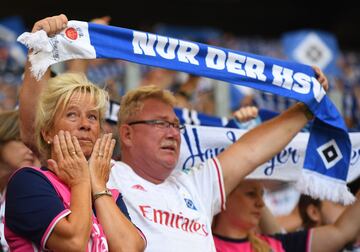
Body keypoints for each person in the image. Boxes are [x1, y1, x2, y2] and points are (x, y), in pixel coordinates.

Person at [19, 14, 329, 251]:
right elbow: (39, 130)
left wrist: (305, 107)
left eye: (175, 125)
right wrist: (40, 50)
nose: (173, 133)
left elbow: (252, 150)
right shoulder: (104, 172)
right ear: (125, 134)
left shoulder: (195, 184)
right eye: (160, 124)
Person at [7, 16, 146, 250]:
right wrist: (82, 180)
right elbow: (74, 243)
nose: (85, 124)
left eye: (93, 117)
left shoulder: (108, 193)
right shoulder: (28, 182)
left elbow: (130, 249)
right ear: (48, 132)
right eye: (72, 115)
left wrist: (98, 188)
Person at [212, 179, 360, 252]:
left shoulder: (274, 245)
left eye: (262, 195)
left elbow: (341, 232)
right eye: (251, 194)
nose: (261, 204)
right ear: (224, 196)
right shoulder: (199, 243)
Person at [0, 110, 41, 252]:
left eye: (33, 143)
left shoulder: (23, 186)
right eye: (21, 140)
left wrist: (37, 172)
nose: (31, 149)